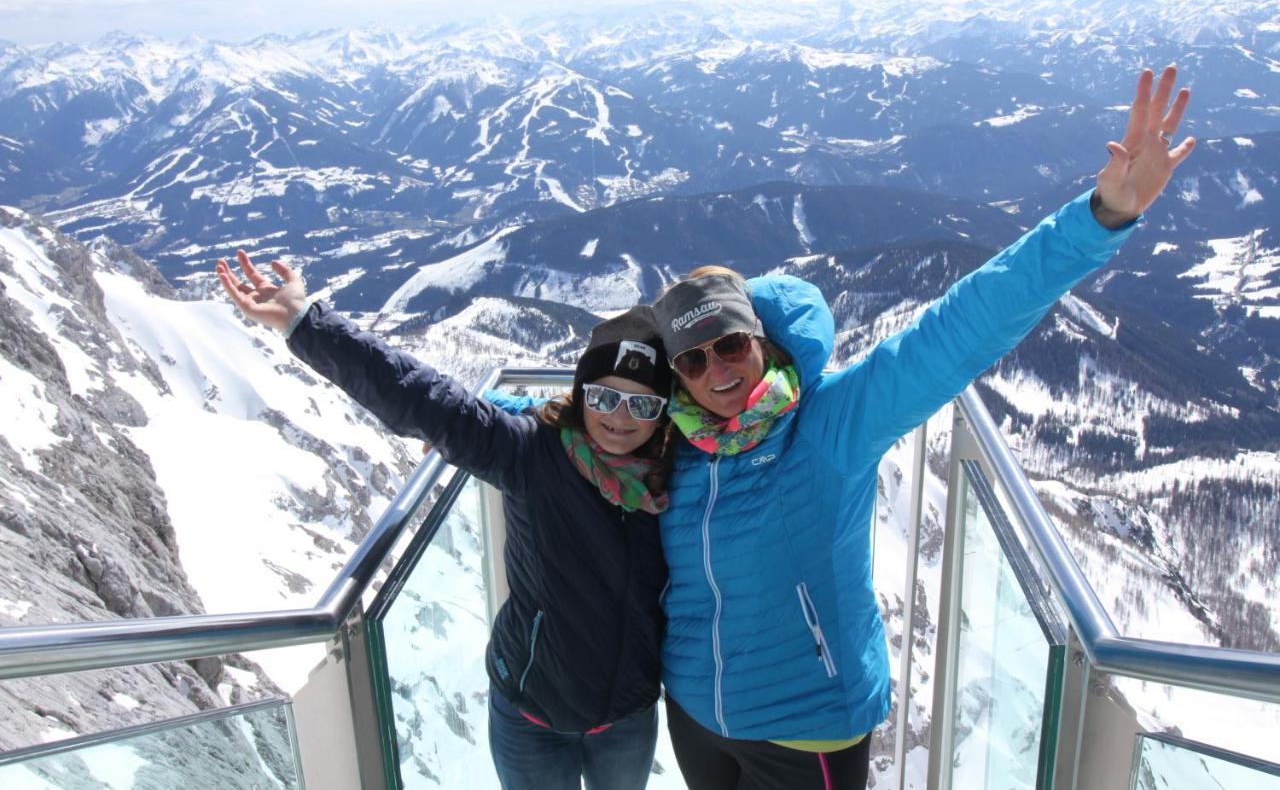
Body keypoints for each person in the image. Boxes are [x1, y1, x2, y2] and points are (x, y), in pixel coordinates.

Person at [643, 65, 1195, 789]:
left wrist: (1099, 217)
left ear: (763, 341)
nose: (717, 371)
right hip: (693, 715)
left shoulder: (830, 426)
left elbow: (960, 328)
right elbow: (547, 430)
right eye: (692, 359)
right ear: (675, 374)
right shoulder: (671, 444)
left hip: (807, 723)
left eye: (731, 344)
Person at [214, 255, 674, 790]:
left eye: (642, 405)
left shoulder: (678, 475)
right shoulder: (529, 454)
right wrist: (305, 323)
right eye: (604, 396)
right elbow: (421, 395)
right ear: (581, 394)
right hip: (532, 714)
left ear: (664, 413)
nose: (620, 417)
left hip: (628, 715)